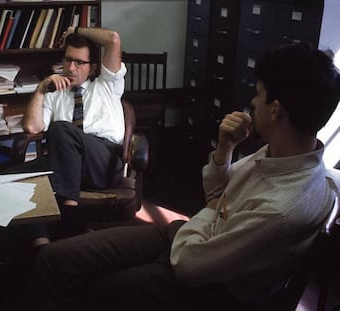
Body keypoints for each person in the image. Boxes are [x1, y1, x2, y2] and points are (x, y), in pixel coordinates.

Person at [22, 43, 340, 311]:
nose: (253, 102)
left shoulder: (283, 208)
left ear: (276, 110)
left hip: (205, 280)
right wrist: (225, 150)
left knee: (94, 287)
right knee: (55, 258)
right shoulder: (284, 153)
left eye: (258, 94)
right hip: (188, 237)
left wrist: (211, 212)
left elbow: (190, 263)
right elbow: (217, 196)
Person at [22, 26, 127, 245]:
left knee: (61, 128)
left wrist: (76, 30)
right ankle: (42, 247)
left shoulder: (108, 85)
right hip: (66, 164)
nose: (70, 67)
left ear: (93, 67)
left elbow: (113, 39)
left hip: (103, 161)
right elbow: (32, 127)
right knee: (19, 179)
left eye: (79, 62)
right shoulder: (55, 94)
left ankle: (70, 223)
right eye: (68, 60)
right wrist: (41, 89)